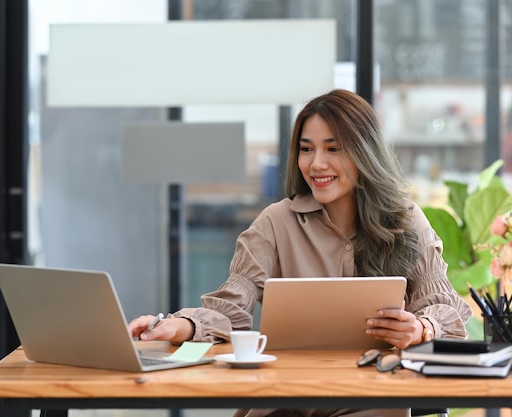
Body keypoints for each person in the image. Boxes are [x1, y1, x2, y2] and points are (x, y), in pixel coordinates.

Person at [128, 89, 472, 417]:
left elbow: (450, 317)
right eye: (306, 149)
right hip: (284, 399)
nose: (316, 164)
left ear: (364, 152)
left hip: (370, 399)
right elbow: (230, 312)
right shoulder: (275, 223)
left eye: (333, 149)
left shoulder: (406, 220)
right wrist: (177, 326)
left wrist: (421, 328)